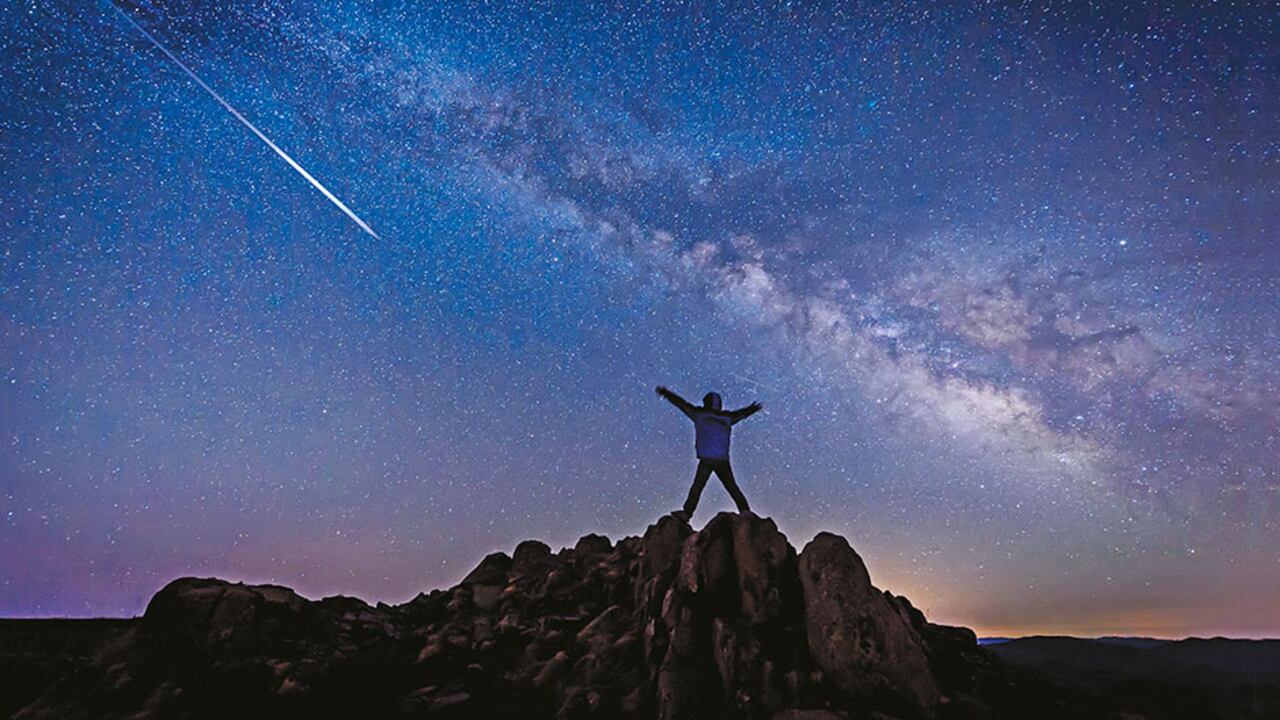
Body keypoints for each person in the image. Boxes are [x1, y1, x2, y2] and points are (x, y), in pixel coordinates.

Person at [655, 385, 763, 522]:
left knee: (698, 486)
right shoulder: (727, 417)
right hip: (722, 460)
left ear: (706, 402)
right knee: (732, 487)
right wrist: (752, 409)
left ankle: (687, 513)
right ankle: (745, 512)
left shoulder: (699, 414)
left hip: (707, 459)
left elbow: (681, 404)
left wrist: (666, 393)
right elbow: (741, 414)